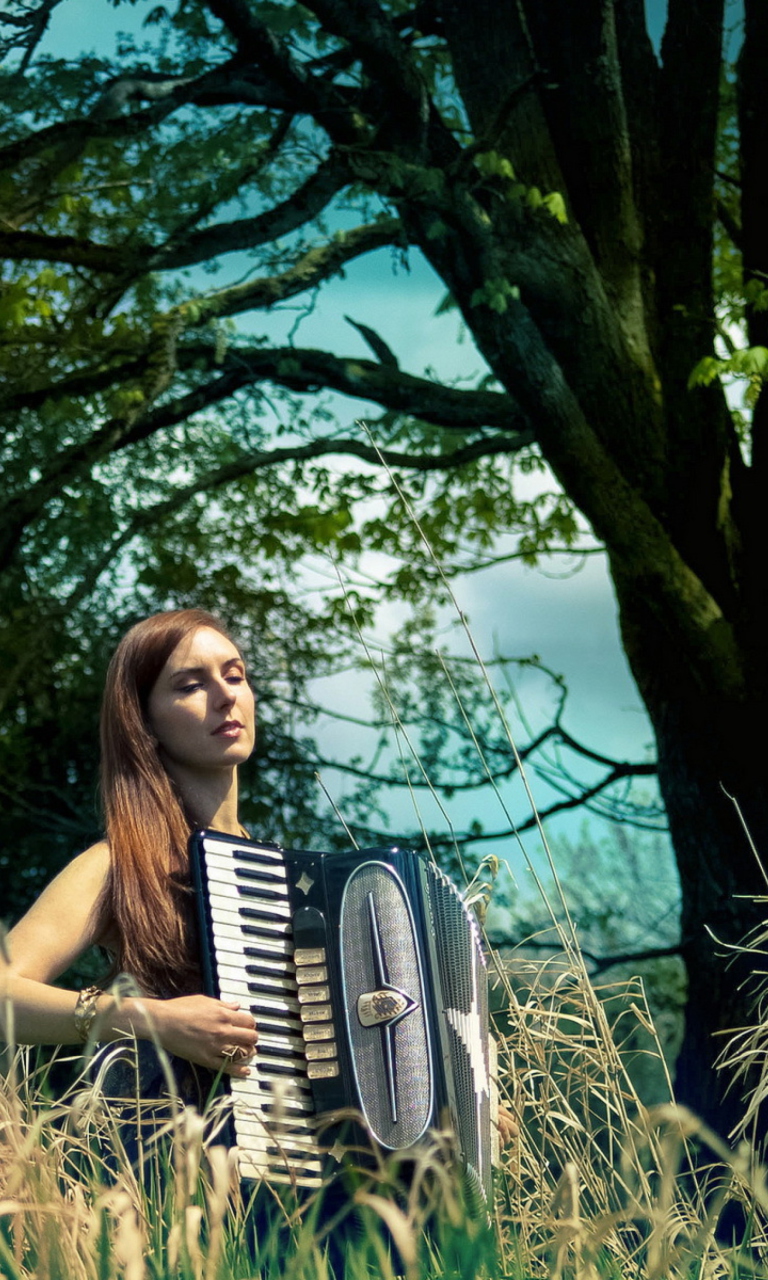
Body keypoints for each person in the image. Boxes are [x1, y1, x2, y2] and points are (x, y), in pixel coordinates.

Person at [1, 608, 260, 1090]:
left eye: (234, 675)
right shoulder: (118, 864)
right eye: (189, 686)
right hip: (175, 1154)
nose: (226, 696)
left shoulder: (288, 875)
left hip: (296, 1157)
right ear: (145, 722)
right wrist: (151, 1020)